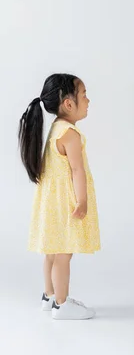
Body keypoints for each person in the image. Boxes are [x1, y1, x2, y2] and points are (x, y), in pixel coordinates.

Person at [18, 73, 100, 320]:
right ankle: (62, 305)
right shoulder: (70, 134)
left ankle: (49, 295)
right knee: (64, 253)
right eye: (84, 95)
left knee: (52, 252)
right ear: (68, 103)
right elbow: (77, 170)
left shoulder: (55, 128)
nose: (88, 100)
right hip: (65, 203)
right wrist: (82, 201)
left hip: (51, 202)